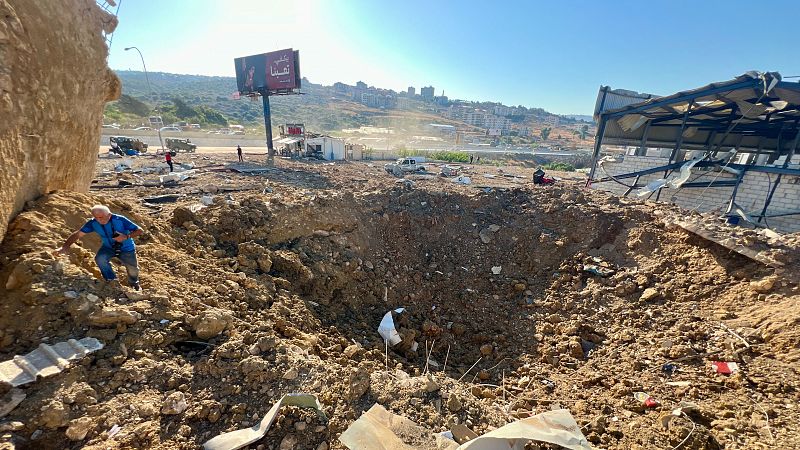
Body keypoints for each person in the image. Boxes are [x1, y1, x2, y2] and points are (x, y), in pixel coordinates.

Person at [53, 205, 143, 290]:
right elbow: (78, 234)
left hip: (126, 248)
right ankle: (112, 281)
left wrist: (125, 236)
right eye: (96, 217)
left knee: (132, 269)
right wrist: (65, 247)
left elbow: (139, 230)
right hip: (108, 247)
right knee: (100, 259)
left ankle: (134, 283)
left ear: (109, 215)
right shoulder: (93, 223)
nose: (99, 220)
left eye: (101, 217)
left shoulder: (120, 220)